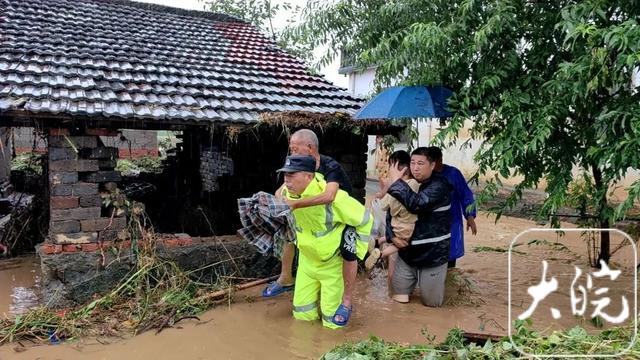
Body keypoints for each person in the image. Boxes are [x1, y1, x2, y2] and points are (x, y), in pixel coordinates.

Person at [263, 129, 361, 325]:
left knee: (349, 252)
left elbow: (329, 196)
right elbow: (279, 192)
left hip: (343, 217)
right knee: (288, 233)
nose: (292, 153)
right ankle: (285, 278)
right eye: (290, 149)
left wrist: (295, 204)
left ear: (309, 147)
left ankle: (347, 300)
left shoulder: (330, 166)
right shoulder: (296, 166)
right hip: (311, 218)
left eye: (295, 149)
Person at [277, 155, 372, 329]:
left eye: (291, 176)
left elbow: (365, 219)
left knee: (332, 324)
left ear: (308, 176)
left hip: (331, 265)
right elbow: (278, 196)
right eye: (285, 175)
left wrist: (354, 249)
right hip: (306, 262)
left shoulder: (336, 199)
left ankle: (346, 303)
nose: (286, 181)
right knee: (301, 315)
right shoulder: (286, 194)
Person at [385, 147, 451, 307]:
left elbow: (417, 204)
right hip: (407, 255)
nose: (415, 167)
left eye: (420, 163)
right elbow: (391, 214)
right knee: (398, 301)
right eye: (413, 163)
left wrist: (396, 183)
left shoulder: (439, 186)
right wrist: (392, 237)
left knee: (431, 305)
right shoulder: (406, 184)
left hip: (432, 255)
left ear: (432, 165)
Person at [365, 151, 419, 285]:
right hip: (408, 226)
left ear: (397, 168)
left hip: (395, 224)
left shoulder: (393, 187)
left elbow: (383, 205)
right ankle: (381, 253)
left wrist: (385, 191)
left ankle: (378, 245)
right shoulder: (415, 184)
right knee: (403, 243)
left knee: (396, 242)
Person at [426, 147, 477, 268]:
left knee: (449, 259)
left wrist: (470, 216)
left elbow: (465, 194)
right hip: (429, 225)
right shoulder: (424, 174)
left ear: (440, 159)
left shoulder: (453, 174)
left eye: (438, 161)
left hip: (451, 223)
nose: (436, 165)